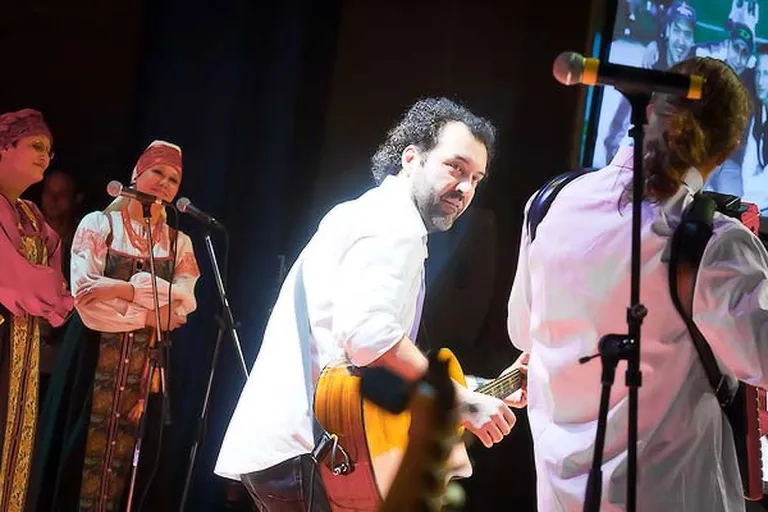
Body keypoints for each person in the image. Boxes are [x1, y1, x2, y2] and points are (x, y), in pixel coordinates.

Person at [215, 97, 527, 511]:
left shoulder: (375, 214)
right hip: (312, 449)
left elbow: (371, 363)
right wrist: (462, 401)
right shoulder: (394, 225)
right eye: (455, 167)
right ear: (411, 158)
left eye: (476, 178)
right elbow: (369, 338)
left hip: (301, 448)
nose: (466, 188)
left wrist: (482, 389)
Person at [508, 57, 758, 511]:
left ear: (649, 111)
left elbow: (523, 333)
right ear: (728, 148)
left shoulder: (549, 203)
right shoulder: (716, 245)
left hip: (559, 498)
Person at [29, 140, 201, 511]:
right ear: (137, 172)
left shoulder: (179, 243)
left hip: (144, 368)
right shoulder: (100, 224)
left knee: (133, 464)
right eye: (157, 171)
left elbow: (182, 306)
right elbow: (85, 295)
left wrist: (119, 295)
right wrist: (143, 300)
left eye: (173, 179)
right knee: (77, 453)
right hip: (90, 357)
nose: (164, 182)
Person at [0, 108, 73, 512]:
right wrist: (52, 294)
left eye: (50, 150)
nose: (46, 156)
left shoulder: (30, 214)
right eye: (36, 145)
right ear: (4, 147)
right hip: (4, 336)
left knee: (15, 443)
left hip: (22, 346)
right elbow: (18, 279)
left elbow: (57, 277)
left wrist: (56, 296)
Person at [38, 168, 83, 402]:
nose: (53, 200)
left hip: (61, 351)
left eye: (62, 194)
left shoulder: (83, 240)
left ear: (76, 198)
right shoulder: (26, 230)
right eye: (48, 192)